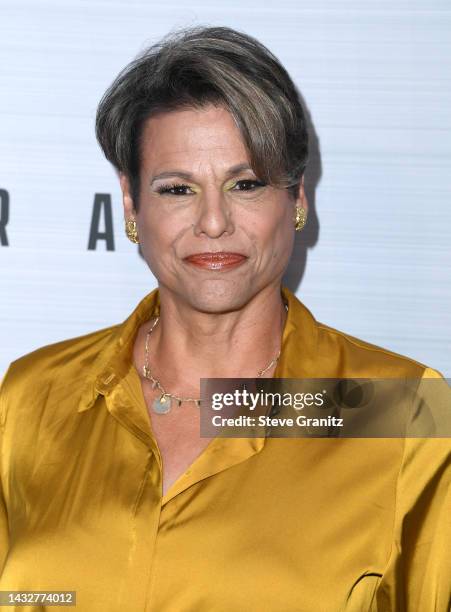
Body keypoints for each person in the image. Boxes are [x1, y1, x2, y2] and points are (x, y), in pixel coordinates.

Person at [0, 25, 450, 612]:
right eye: (177, 189)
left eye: (246, 183)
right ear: (132, 204)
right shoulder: (34, 395)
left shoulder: (401, 409)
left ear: (297, 199)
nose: (214, 222)